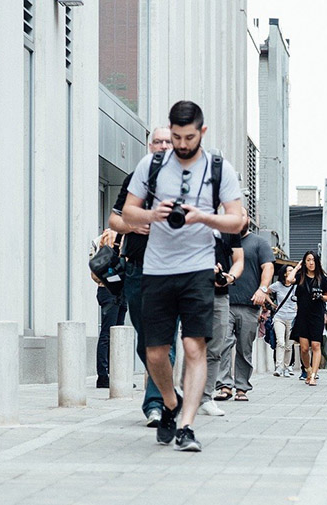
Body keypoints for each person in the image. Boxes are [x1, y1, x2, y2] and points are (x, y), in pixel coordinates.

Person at [122, 101, 244, 451]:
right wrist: (152, 214)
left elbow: (237, 220)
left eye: (188, 137)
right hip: (157, 269)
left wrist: (203, 217)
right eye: (175, 137)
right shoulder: (153, 164)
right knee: (156, 352)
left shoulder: (219, 168)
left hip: (198, 268)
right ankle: (171, 404)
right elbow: (128, 211)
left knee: (194, 346)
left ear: (201, 132)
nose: (181, 144)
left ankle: (187, 425)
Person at [109, 126, 172, 425]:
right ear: (150, 146)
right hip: (137, 267)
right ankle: (162, 393)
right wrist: (132, 226)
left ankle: (156, 403)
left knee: (165, 339)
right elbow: (113, 219)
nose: (161, 146)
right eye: (157, 141)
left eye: (167, 142)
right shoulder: (135, 180)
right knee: (145, 340)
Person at [224, 212, 275, 400]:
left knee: (244, 349)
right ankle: (224, 386)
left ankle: (241, 388)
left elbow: (268, 267)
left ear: (248, 220)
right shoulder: (223, 241)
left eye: (242, 216)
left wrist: (263, 289)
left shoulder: (259, 243)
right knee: (222, 344)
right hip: (224, 302)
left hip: (249, 304)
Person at [197, 218, 244, 416]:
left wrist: (228, 277)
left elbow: (239, 259)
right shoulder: (189, 220)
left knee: (216, 348)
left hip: (220, 295)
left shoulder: (229, 226)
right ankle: (184, 394)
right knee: (192, 346)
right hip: (191, 291)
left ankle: (206, 398)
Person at [90, 228, 128, 389]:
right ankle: (104, 376)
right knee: (109, 334)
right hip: (112, 290)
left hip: (110, 290)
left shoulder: (99, 238)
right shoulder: (113, 236)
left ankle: (112, 375)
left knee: (115, 334)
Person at [291, 251, 327, 385]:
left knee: (316, 345)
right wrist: (297, 267)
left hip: (317, 314)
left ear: (317, 262)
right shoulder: (300, 276)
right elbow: (289, 280)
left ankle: (313, 375)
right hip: (302, 315)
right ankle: (307, 369)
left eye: (313, 260)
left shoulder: (322, 278)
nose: (311, 263)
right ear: (304, 262)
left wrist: (320, 296)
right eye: (308, 260)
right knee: (304, 348)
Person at [268, 264, 298, 377]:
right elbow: (266, 291)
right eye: (290, 270)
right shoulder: (277, 285)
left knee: (289, 345)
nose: (292, 272)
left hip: (292, 318)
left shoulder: (296, 287)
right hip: (279, 317)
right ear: (285, 273)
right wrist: (272, 304)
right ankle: (279, 367)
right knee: (280, 342)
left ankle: (286, 367)